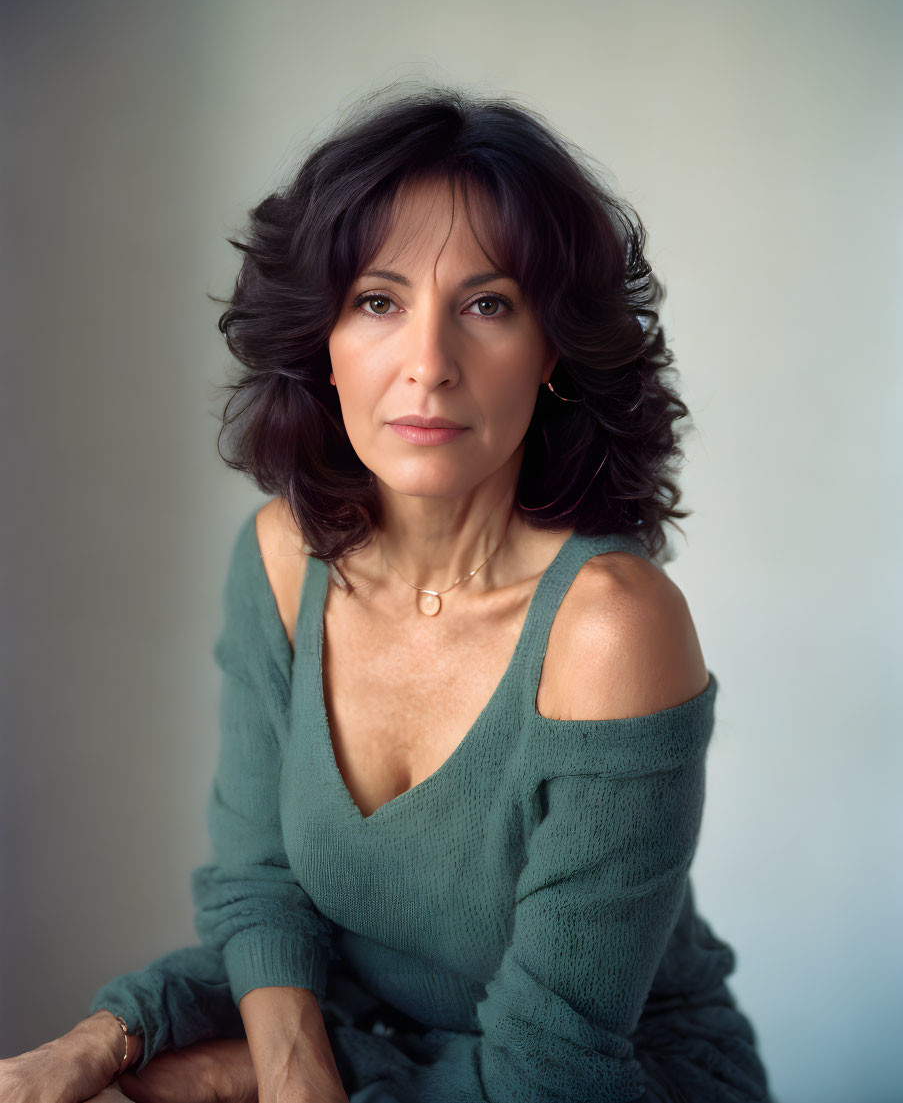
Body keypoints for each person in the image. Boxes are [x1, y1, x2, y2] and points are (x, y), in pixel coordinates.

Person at [0, 84, 774, 1103]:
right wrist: (126, 1035)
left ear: (552, 353)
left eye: (487, 306)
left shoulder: (612, 630)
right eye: (378, 301)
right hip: (390, 1057)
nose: (428, 366)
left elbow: (553, 1074)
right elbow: (262, 885)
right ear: (322, 340)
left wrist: (246, 1074)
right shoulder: (283, 556)